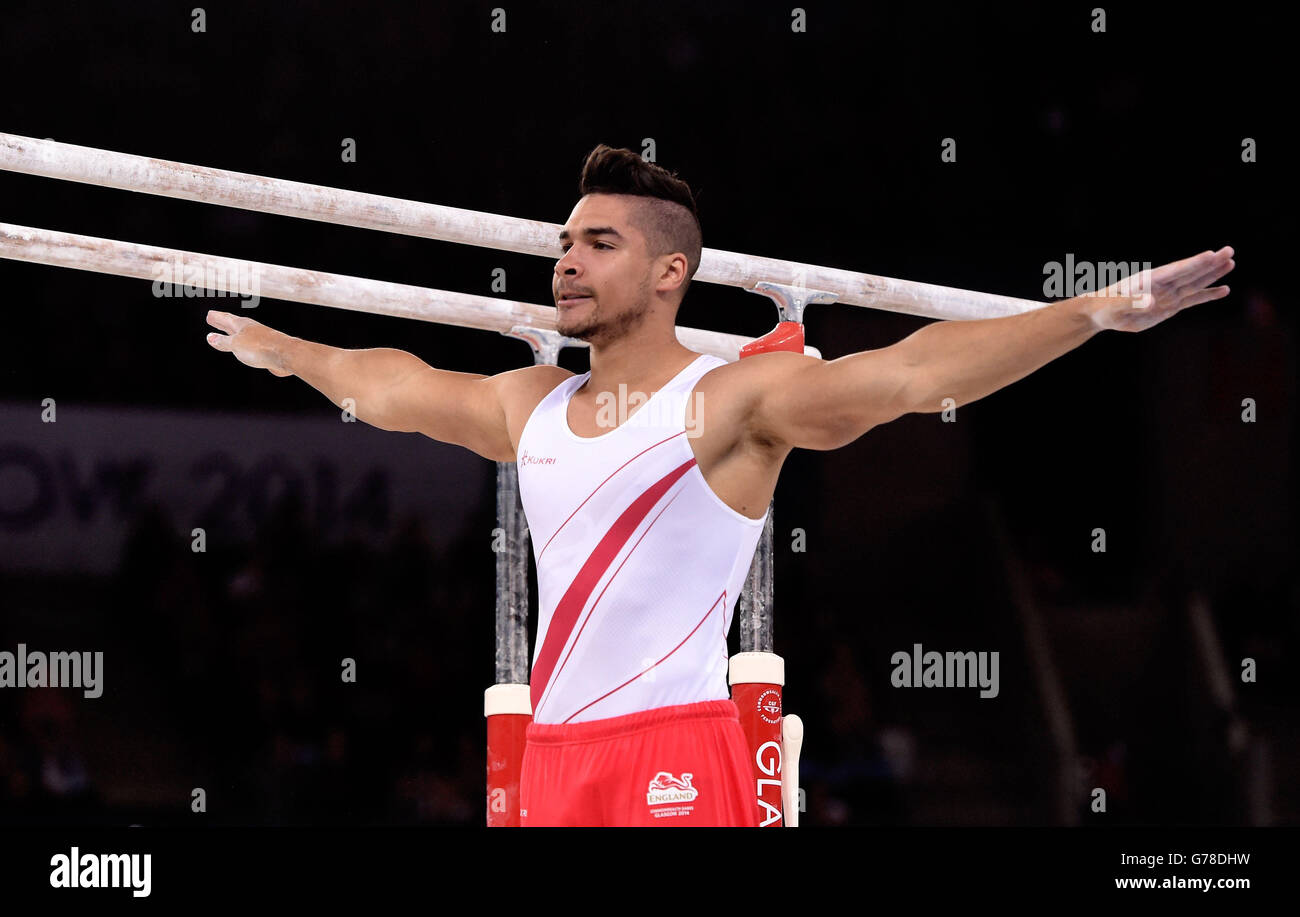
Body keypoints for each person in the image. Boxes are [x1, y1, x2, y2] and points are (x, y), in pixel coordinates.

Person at [203, 145, 1235, 826]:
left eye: (597, 243)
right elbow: (397, 387)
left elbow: (916, 374)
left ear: (669, 276)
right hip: (556, 759)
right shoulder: (532, 403)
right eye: (563, 241)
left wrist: (1091, 312)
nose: (564, 261)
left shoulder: (731, 401)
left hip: (678, 756)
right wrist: (289, 347)